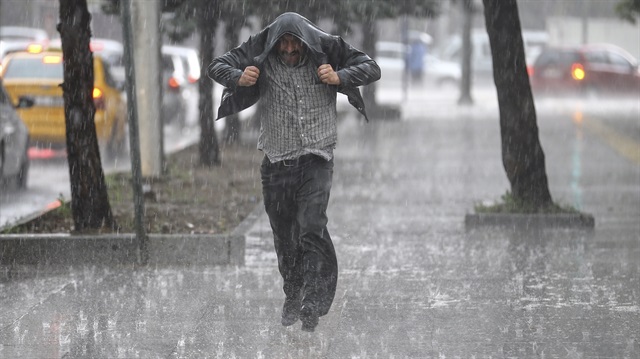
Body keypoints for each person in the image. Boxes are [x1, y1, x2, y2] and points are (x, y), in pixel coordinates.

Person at [207, 12, 380, 332]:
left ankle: (313, 300)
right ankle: (293, 293)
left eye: (294, 43)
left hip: (317, 158)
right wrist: (238, 77)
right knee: (286, 238)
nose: (288, 49)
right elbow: (216, 65)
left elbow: (372, 68)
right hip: (276, 162)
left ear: (305, 41)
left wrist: (340, 76)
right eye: (282, 44)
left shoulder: (327, 48)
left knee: (312, 227)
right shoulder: (260, 48)